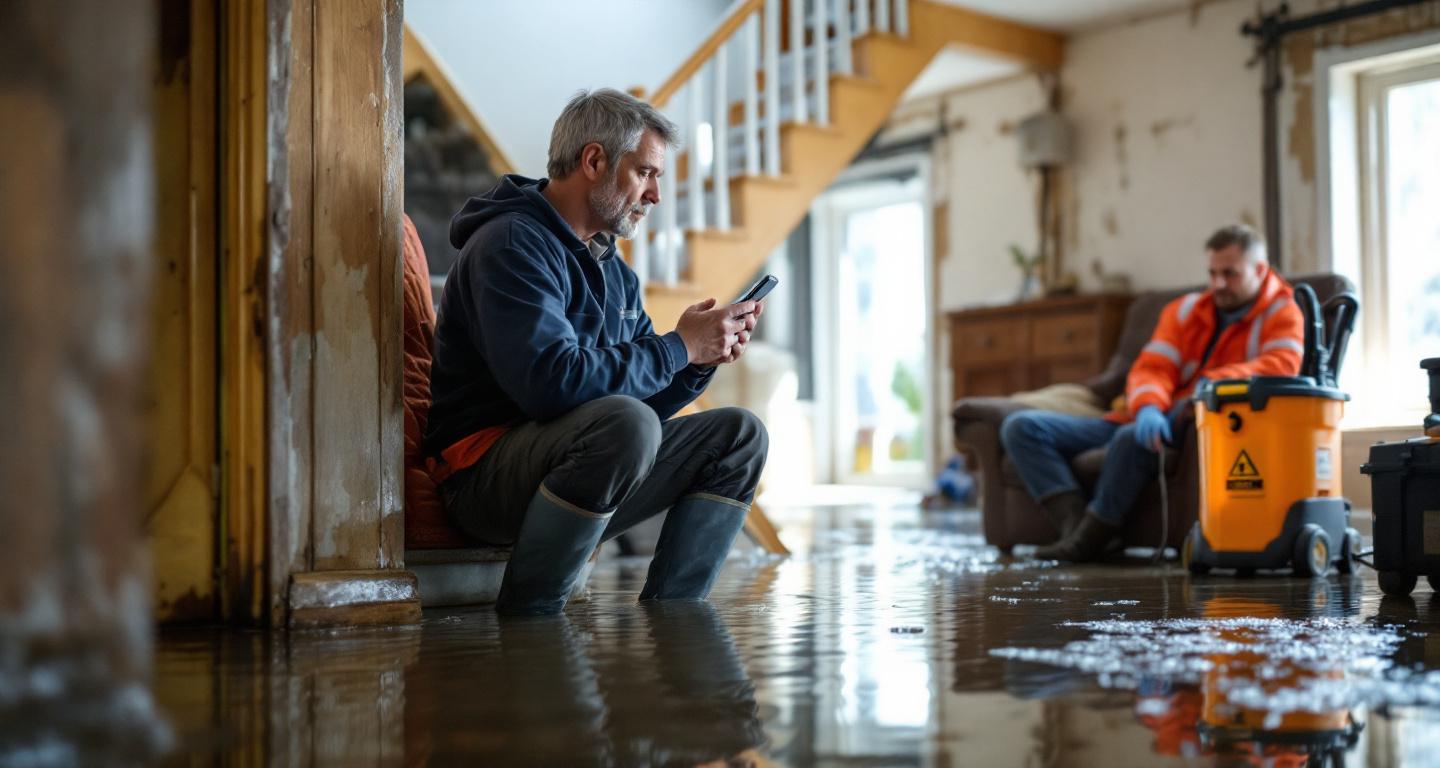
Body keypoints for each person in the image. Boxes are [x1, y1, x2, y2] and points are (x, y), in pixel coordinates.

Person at [424, 88, 768, 615]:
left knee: (739, 436)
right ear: (594, 160)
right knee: (624, 425)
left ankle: (676, 615)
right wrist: (678, 345)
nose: (654, 194)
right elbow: (550, 384)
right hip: (483, 473)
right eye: (645, 173)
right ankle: (531, 616)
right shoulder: (511, 244)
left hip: (574, 454)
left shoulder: (616, 275)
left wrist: (698, 359)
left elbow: (642, 408)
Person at [1000, 225, 1304, 562]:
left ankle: (1088, 539)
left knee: (1132, 439)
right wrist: (1147, 407)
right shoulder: (1185, 310)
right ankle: (1076, 525)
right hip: (1145, 415)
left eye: (1229, 274)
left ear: (1259, 271)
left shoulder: (1283, 311)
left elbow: (1281, 365)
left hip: (1200, 422)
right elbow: (1152, 367)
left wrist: (1210, 386)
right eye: (1212, 272)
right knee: (1021, 427)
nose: (1217, 283)